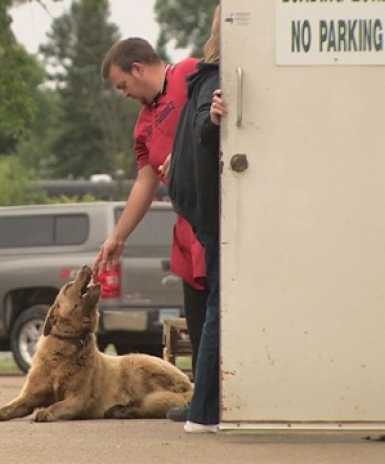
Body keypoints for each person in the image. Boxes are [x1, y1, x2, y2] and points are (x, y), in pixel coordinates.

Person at [94, 38, 207, 414]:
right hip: (186, 225)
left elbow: (223, 118)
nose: (124, 95)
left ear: (138, 69)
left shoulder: (190, 73)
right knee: (197, 313)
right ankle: (205, 397)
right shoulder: (143, 124)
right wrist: (117, 237)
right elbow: (145, 182)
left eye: (123, 85)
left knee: (220, 309)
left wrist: (189, 148)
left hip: (216, 217)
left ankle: (219, 400)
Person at [166, 4, 226, 433]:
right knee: (219, 309)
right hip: (212, 213)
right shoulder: (216, 80)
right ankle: (204, 410)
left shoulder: (200, 77)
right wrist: (215, 120)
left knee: (218, 307)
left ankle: (205, 408)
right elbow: (207, 125)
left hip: (198, 210)